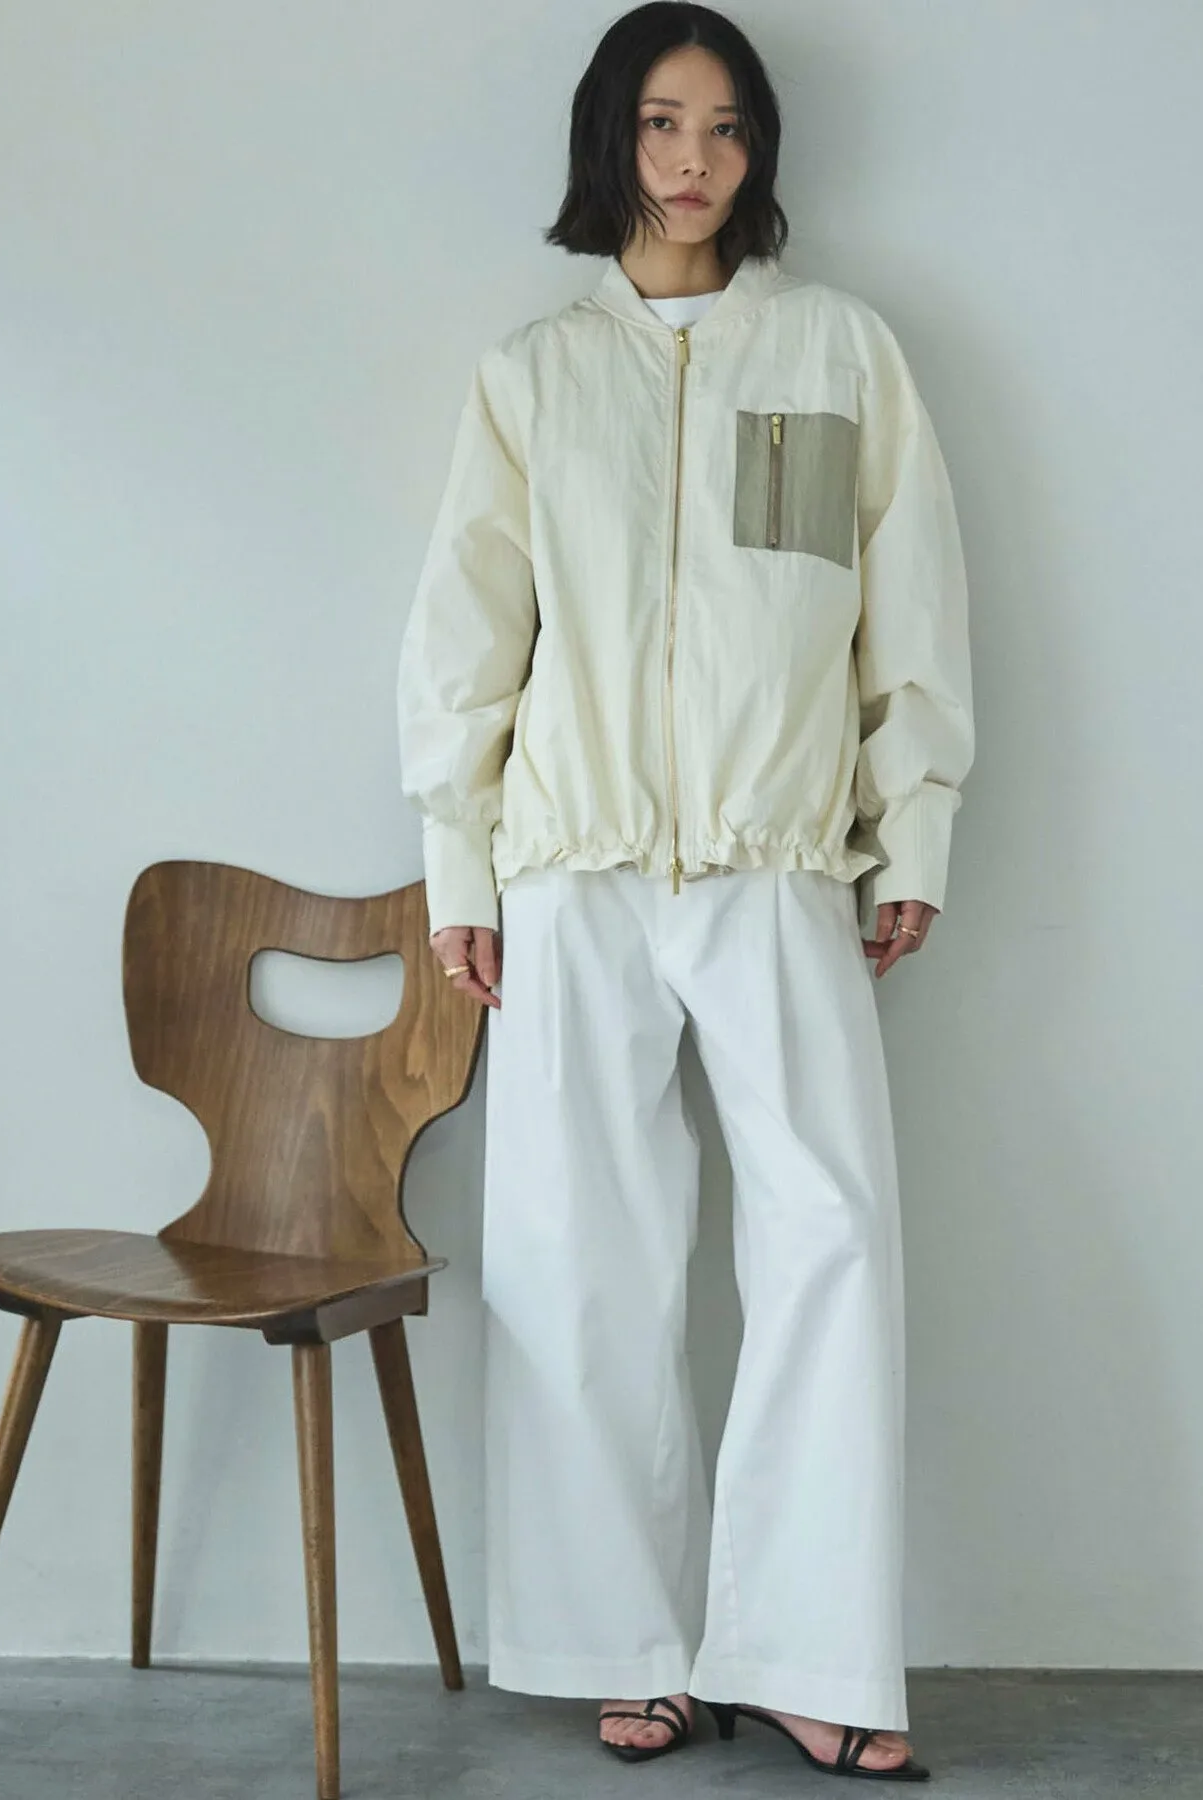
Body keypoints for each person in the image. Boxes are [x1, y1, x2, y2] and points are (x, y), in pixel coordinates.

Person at [395, 2, 973, 1780]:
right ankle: (625, 1646)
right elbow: (467, 637)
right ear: (611, 140)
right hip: (573, 868)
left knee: (832, 1238)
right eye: (662, 123)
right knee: (581, 1259)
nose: (696, 159)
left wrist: (914, 830)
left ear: (759, 149)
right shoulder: (533, 374)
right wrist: (460, 860)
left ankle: (808, 1655)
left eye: (726, 126)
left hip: (777, 859)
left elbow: (912, 607)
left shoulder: (840, 351)